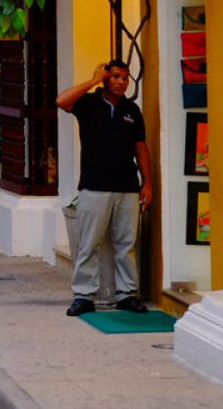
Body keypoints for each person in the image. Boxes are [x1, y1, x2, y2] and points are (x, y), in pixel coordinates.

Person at [56, 59, 153, 317]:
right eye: (116, 77)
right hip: (94, 187)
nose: (121, 82)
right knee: (89, 244)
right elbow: (61, 101)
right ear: (105, 78)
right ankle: (84, 296)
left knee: (126, 245)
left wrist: (148, 184)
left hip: (127, 188)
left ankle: (127, 295)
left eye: (125, 78)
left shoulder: (132, 110)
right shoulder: (88, 104)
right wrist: (92, 81)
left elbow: (141, 148)